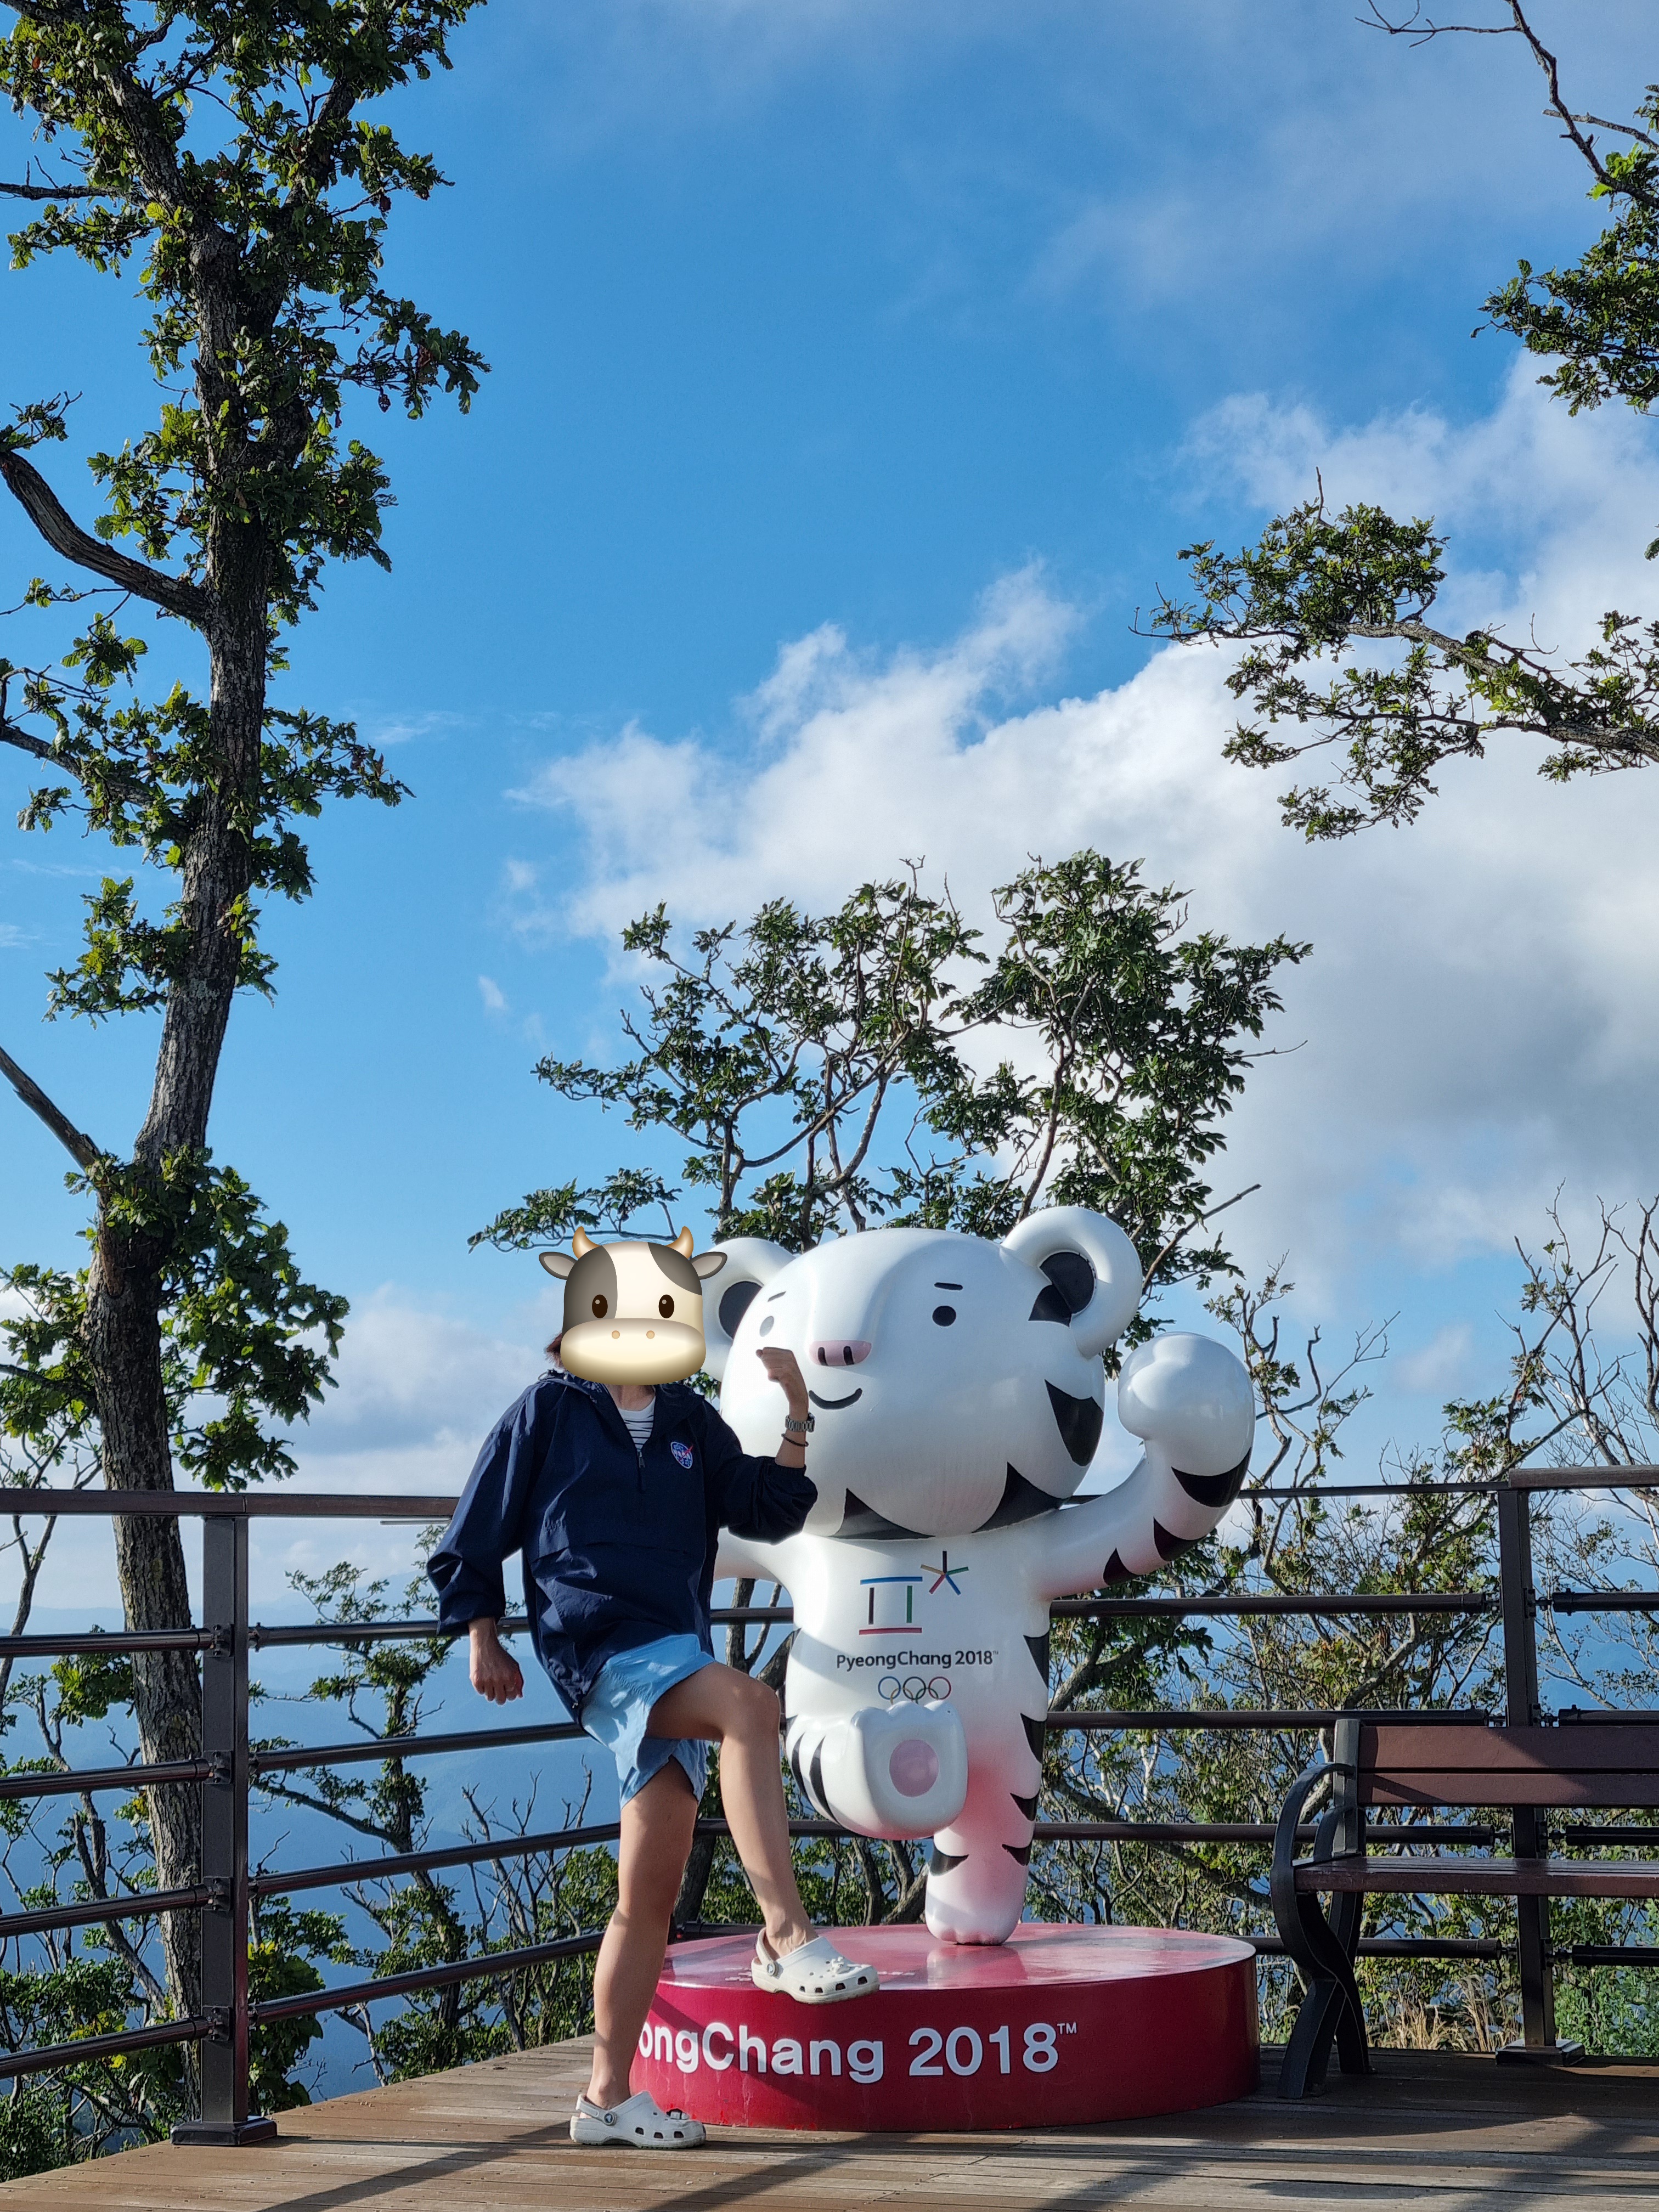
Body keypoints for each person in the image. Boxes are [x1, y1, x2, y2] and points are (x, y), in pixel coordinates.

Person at [427, 1331, 877, 2151]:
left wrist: (798, 1411)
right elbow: (478, 1522)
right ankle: (785, 1934)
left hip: (677, 1652)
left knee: (646, 1901)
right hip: (597, 1643)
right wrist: (481, 1636)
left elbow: (767, 1508)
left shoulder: (687, 1419)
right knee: (750, 1707)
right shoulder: (550, 1409)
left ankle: (604, 2100)